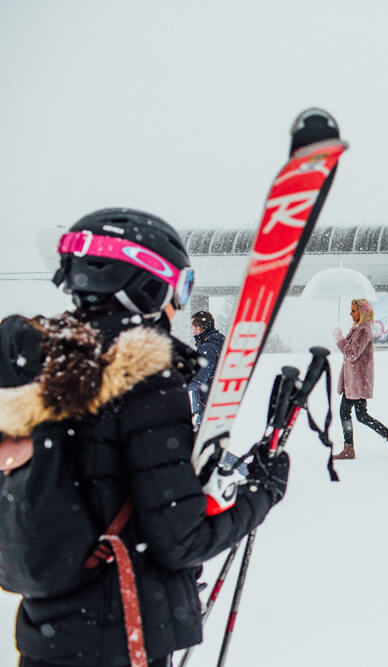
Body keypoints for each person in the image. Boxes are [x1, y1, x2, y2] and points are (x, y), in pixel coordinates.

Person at [0, 208, 288, 667]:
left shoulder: (39, 372)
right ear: (146, 284)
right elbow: (182, 540)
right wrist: (262, 495)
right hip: (118, 637)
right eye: (180, 287)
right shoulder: (143, 381)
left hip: (45, 637)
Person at [330, 299, 388, 463]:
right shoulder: (359, 329)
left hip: (356, 381)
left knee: (346, 413)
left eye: (354, 311)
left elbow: (351, 353)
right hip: (354, 381)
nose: (350, 314)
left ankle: (349, 449)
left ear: (363, 312)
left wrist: (339, 339)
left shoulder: (364, 331)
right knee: (361, 415)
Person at [188, 310, 224, 428]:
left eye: (192, 327)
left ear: (198, 328)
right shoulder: (219, 343)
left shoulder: (208, 348)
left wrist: (179, 385)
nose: (192, 331)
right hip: (217, 405)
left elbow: (198, 379)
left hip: (207, 409)